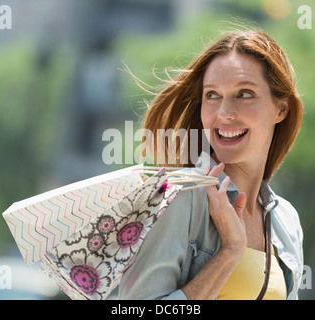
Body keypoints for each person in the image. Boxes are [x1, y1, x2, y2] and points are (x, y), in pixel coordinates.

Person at [118, 29, 304, 300]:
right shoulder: (179, 198)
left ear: (281, 109)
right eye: (212, 95)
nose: (224, 113)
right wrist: (229, 253)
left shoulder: (286, 220)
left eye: (245, 94)